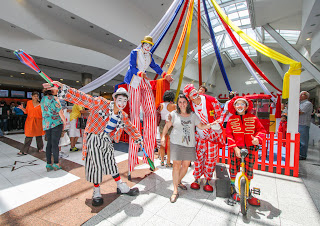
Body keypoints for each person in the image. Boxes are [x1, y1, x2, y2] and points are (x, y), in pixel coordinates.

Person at [43, 81, 142, 206]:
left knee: (111, 162)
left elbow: (130, 127)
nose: (122, 103)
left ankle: (120, 186)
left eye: (124, 101)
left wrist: (139, 139)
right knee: (95, 164)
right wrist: (64, 89)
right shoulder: (101, 103)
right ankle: (96, 191)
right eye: (120, 99)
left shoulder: (123, 115)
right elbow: (83, 98)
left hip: (106, 139)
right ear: (114, 98)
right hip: (94, 138)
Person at [124, 35, 173, 179]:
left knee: (151, 113)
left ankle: (149, 155)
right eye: (146, 45)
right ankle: (132, 161)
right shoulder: (135, 52)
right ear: (142, 44)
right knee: (134, 116)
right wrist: (140, 73)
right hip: (134, 80)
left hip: (143, 80)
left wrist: (164, 74)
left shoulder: (149, 55)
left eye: (150, 46)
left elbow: (154, 66)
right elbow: (132, 67)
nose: (148, 47)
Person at [161, 94, 218, 203]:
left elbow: (201, 126)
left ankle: (178, 181)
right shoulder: (173, 114)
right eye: (180, 102)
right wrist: (163, 136)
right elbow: (167, 126)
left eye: (184, 102)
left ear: (187, 103)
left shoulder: (193, 115)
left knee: (185, 166)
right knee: (176, 166)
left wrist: (211, 124)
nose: (182, 104)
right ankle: (175, 190)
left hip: (189, 144)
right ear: (177, 104)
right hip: (176, 143)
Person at [183, 84, 224, 192]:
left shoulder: (211, 100)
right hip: (198, 135)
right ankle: (196, 178)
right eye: (191, 94)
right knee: (197, 158)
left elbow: (220, 115)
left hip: (212, 134)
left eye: (195, 91)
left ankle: (207, 179)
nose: (195, 95)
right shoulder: (190, 106)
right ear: (189, 97)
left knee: (210, 158)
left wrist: (217, 123)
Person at [226, 97, 266, 206]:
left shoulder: (253, 118)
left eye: (242, 104)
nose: (239, 106)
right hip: (235, 148)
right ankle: (232, 188)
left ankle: (247, 192)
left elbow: (261, 130)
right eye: (237, 104)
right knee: (233, 169)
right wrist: (235, 148)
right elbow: (229, 135)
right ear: (234, 107)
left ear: (247, 106)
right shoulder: (231, 119)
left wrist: (257, 139)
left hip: (250, 148)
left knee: (248, 170)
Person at [41, 88, 66, 171]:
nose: (57, 90)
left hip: (47, 123)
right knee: (55, 143)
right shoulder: (55, 99)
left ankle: (48, 164)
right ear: (51, 91)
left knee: (49, 143)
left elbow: (42, 111)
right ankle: (56, 163)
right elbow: (60, 112)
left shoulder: (43, 99)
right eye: (55, 89)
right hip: (56, 123)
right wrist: (64, 122)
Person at [158, 90, 176, 167]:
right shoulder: (173, 106)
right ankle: (168, 162)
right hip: (170, 124)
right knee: (169, 145)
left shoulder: (160, 105)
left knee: (162, 144)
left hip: (162, 123)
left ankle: (162, 161)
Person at [299, 91, 313, 160]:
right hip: (298, 123)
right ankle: (298, 153)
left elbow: (300, 112)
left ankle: (302, 155)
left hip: (304, 124)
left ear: (306, 96)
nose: (300, 96)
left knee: (303, 140)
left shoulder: (308, 104)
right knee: (298, 140)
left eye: (302, 94)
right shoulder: (299, 103)